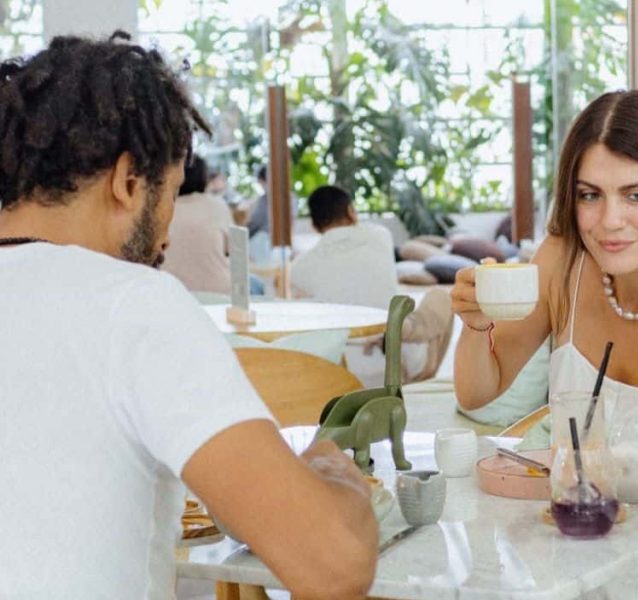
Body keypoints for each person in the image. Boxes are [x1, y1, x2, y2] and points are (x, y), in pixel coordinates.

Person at [0, 32, 377, 598]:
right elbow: (334, 563)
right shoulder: (131, 303)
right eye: (171, 193)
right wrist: (337, 478)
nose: (168, 233)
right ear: (129, 183)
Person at [451, 90, 638, 442]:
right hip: (553, 494)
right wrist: (476, 326)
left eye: (637, 196)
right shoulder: (562, 261)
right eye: (590, 195)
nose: (611, 221)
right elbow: (478, 393)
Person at [290, 185, 453, 383]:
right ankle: (420, 382)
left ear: (314, 226)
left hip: (341, 371)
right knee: (442, 296)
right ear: (351, 211)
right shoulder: (381, 236)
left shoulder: (300, 268)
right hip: (396, 365)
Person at [161, 156, 234, 294]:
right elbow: (232, 249)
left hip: (175, 294)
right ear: (204, 178)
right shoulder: (217, 206)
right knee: (256, 285)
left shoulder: (162, 209)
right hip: (221, 293)